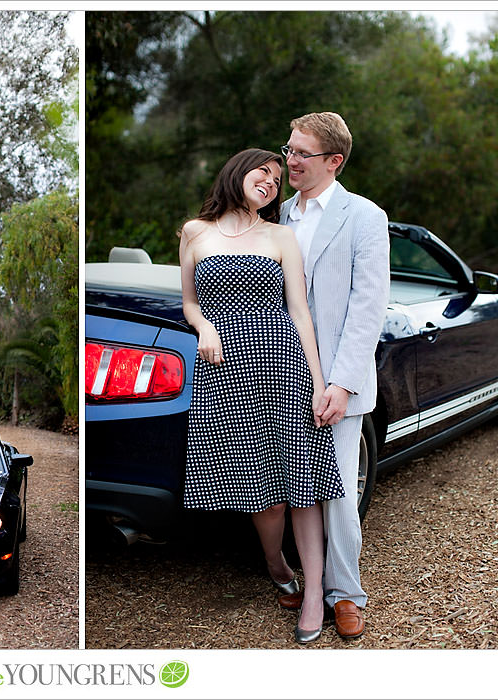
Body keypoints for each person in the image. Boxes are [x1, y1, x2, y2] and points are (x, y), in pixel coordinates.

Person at [179, 147, 345, 643]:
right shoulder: (195, 232)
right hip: (225, 374)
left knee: (304, 490)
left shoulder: (281, 236)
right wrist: (203, 325)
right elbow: (188, 300)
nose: (271, 183)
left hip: (285, 370)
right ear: (237, 171)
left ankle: (313, 595)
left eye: (277, 179)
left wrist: (318, 384)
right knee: (263, 500)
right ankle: (276, 565)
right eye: (263, 172)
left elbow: (300, 312)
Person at [277, 112, 390, 639]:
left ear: (334, 161)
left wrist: (341, 385)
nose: (290, 160)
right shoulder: (280, 215)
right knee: (295, 488)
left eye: (302, 153)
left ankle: (347, 594)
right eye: (290, 149)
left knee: (340, 490)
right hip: (282, 372)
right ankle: (307, 581)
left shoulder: (364, 216)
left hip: (337, 382)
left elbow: (369, 307)